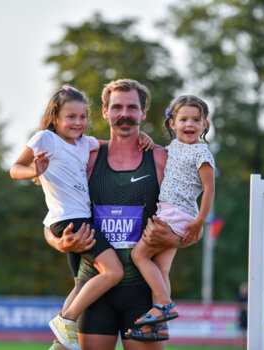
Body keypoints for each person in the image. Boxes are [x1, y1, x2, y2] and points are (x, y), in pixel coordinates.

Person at [45, 79, 191, 350]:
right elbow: (54, 216)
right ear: (104, 111)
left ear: (143, 113)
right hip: (94, 290)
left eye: (132, 108)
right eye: (117, 107)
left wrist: (174, 238)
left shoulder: (162, 160)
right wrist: (59, 242)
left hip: (144, 293)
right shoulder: (85, 158)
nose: (125, 114)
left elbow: (193, 227)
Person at [10, 85, 152, 350]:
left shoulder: (85, 144)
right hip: (71, 222)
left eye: (82, 117)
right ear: (55, 118)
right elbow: (14, 169)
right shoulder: (44, 138)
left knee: (81, 284)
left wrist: (142, 136)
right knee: (113, 271)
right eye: (71, 117)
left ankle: (59, 344)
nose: (78, 123)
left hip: (81, 219)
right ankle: (67, 320)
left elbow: (116, 143)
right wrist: (34, 171)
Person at [126, 95, 215, 341]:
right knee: (162, 268)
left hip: (176, 213)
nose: (190, 124)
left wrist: (200, 222)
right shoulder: (174, 147)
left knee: (139, 255)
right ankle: (159, 326)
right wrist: (145, 138)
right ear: (172, 123)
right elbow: (157, 151)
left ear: (205, 124)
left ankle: (165, 304)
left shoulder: (201, 152)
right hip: (170, 211)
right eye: (183, 119)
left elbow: (209, 189)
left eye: (196, 120)